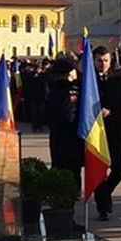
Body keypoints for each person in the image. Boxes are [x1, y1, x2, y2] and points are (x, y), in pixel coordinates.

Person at [92, 46, 121, 221]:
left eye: (105, 60)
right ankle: (102, 206)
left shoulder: (118, 82)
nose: (102, 64)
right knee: (99, 168)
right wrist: (96, 111)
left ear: (111, 61)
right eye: (99, 60)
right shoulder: (89, 81)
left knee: (120, 167)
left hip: (116, 130)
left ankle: (104, 191)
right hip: (96, 133)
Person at [45, 57, 84, 192]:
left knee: (74, 166)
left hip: (74, 132)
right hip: (60, 132)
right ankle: (61, 192)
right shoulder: (56, 87)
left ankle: (74, 191)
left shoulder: (78, 85)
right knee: (61, 164)